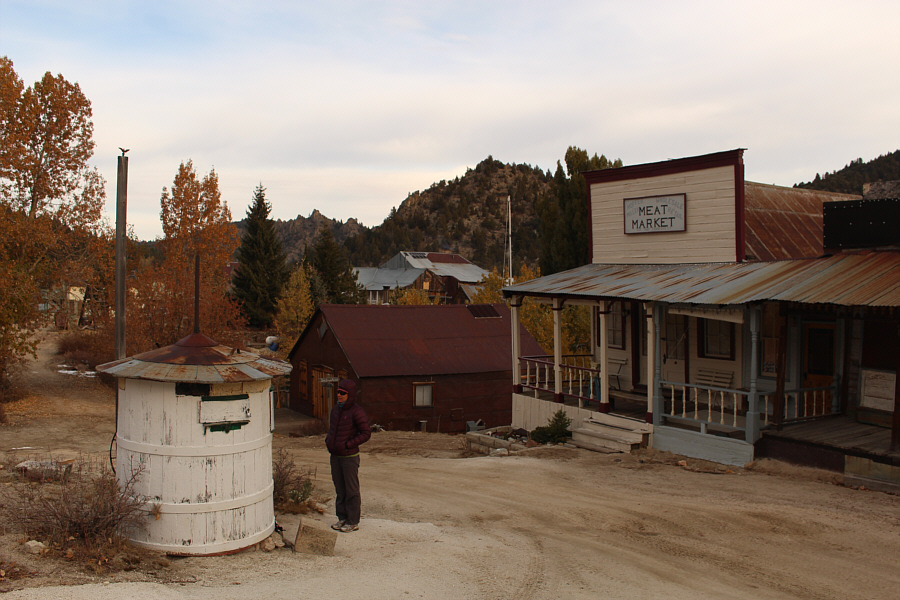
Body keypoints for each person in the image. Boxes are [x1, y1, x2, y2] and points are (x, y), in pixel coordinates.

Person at [325, 378, 370, 533]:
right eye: (338, 392)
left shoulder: (357, 411)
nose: (339, 395)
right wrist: (329, 442)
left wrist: (348, 444)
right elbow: (332, 429)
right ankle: (342, 517)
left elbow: (366, 433)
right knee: (340, 489)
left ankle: (352, 521)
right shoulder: (335, 410)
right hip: (335, 456)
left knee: (351, 490)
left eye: (342, 393)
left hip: (349, 457)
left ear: (349, 395)